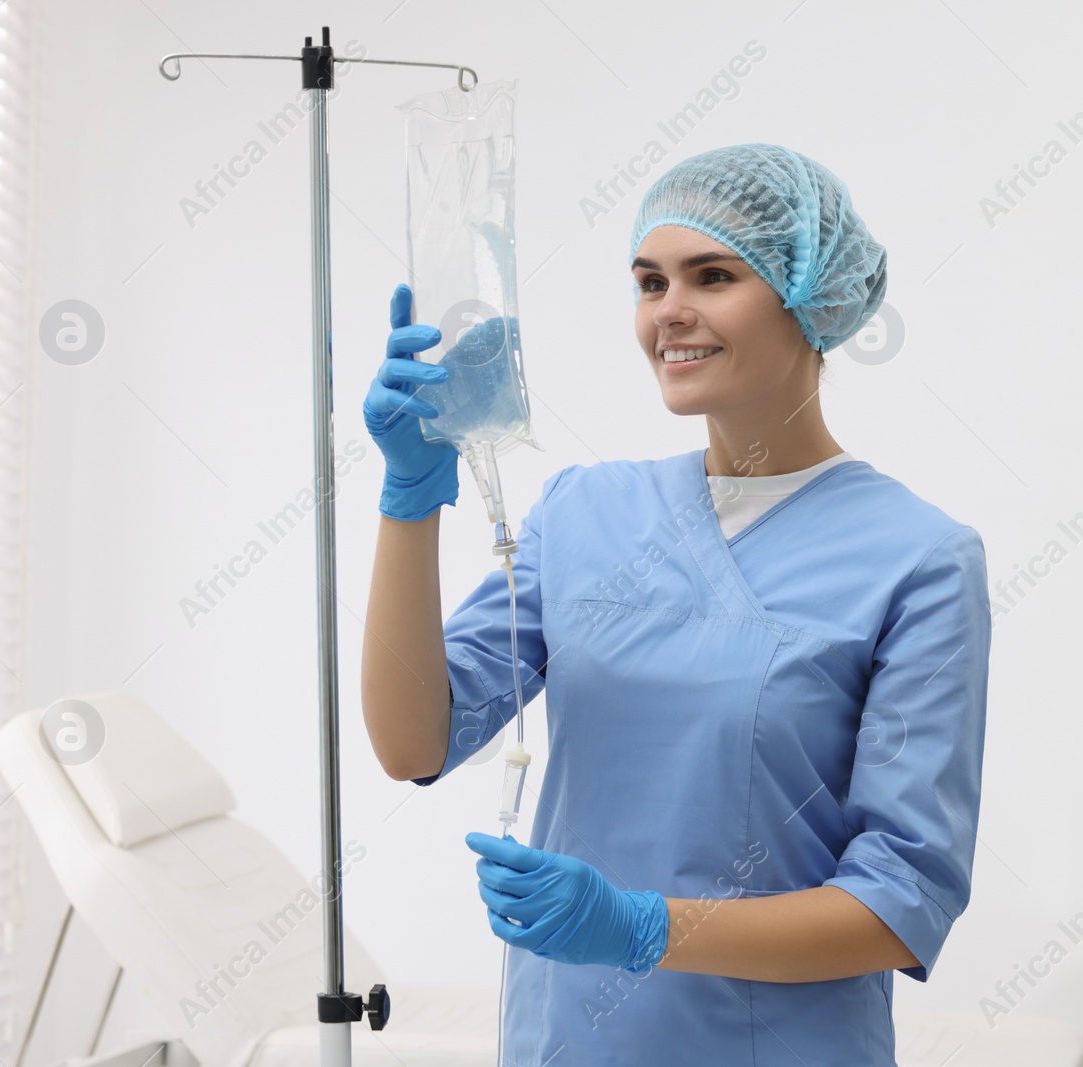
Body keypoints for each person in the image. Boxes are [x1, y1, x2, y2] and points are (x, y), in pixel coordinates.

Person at [360, 143, 991, 1066]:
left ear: (810, 295)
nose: (670, 312)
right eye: (650, 282)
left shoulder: (918, 560)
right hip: (567, 1039)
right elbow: (413, 740)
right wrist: (408, 503)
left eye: (713, 276)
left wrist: (642, 927)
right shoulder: (584, 511)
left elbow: (901, 902)